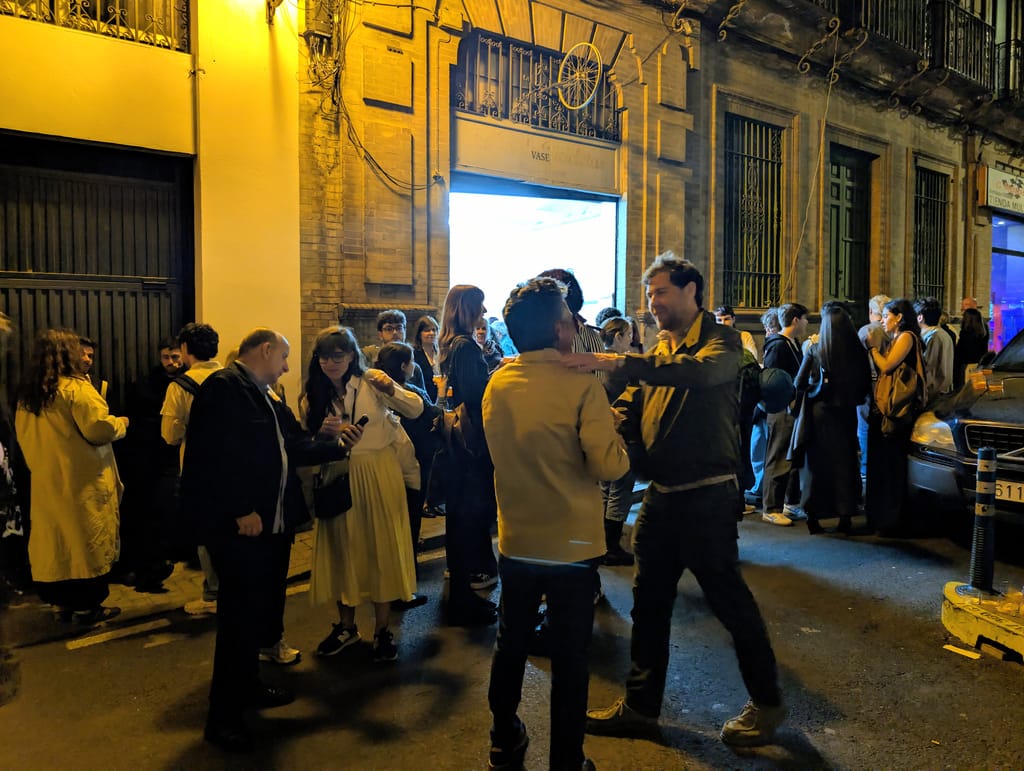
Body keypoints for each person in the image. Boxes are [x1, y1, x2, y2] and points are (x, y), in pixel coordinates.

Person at [565, 253, 785, 747]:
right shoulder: (662, 346)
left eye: (661, 292)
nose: (653, 303)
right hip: (661, 498)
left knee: (731, 604)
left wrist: (620, 362)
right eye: (649, 295)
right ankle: (641, 709)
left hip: (707, 498)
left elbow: (697, 374)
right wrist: (612, 416)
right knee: (648, 606)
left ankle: (768, 703)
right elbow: (637, 399)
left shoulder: (723, 342)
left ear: (691, 291)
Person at [180, 328, 360, 753]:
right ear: (265, 350)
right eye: (283, 357)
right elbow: (212, 456)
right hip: (244, 528)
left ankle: (249, 687)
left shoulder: (266, 394)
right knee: (237, 623)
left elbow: (292, 446)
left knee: (256, 617)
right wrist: (240, 508)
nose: (286, 366)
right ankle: (223, 719)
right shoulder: (225, 388)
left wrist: (337, 445)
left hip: (273, 527)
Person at [483, 277, 628, 771]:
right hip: (572, 545)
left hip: (517, 537)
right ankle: (566, 760)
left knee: (511, 642)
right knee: (569, 658)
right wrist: (616, 438)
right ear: (561, 330)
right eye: (568, 317)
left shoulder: (499, 382)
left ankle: (504, 738)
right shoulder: (582, 385)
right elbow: (607, 466)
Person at [303, 326, 424, 661]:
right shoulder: (315, 391)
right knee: (343, 550)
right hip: (337, 474)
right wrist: (323, 434)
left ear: (351, 355)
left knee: (380, 548)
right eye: (324, 356)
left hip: (378, 472)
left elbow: (415, 408)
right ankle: (346, 626)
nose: (330, 363)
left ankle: (382, 629)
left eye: (337, 356)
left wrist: (392, 388)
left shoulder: (371, 381)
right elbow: (306, 439)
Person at [14, 329, 128, 625]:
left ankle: (60, 604)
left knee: (56, 545)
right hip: (82, 482)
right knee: (85, 545)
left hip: (47, 481)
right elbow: (98, 429)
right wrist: (121, 423)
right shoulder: (76, 389)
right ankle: (86, 608)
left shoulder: (31, 395)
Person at [439, 284, 499, 626]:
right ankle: (464, 602)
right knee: (469, 519)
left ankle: (461, 596)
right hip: (473, 445)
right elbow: (478, 397)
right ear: (466, 309)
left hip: (459, 445)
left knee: (460, 519)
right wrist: (498, 375)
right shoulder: (464, 346)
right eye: (480, 305)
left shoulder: (451, 343)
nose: (484, 311)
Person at [160, 323, 224, 617]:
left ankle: (213, 594)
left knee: (206, 534)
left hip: (200, 471)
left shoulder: (180, 386)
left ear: (185, 349)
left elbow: (170, 435)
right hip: (237, 467)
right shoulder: (235, 378)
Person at [791, 303, 871, 534]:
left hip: (819, 414)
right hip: (845, 413)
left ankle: (813, 516)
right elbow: (865, 383)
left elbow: (799, 382)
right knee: (844, 463)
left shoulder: (816, 349)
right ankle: (845, 515)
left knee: (816, 465)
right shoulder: (857, 351)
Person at [116, 337, 183, 591]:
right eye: (166, 357)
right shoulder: (147, 384)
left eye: (175, 357)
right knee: (154, 511)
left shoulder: (183, 382)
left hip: (170, 456)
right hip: (151, 457)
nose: (171, 362)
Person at [375, 340, 438, 610]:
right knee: (409, 528)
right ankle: (404, 590)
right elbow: (433, 416)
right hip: (412, 468)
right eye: (411, 361)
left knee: (389, 529)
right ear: (404, 366)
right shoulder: (410, 393)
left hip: (384, 468)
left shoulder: (374, 392)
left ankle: (388, 586)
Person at [864, 299, 924, 535]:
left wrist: (873, 349)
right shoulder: (897, 338)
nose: (882, 320)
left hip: (897, 411)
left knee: (892, 464)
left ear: (899, 317)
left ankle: (893, 519)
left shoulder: (906, 337)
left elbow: (888, 366)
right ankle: (885, 517)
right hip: (890, 409)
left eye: (887, 316)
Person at [761, 303, 809, 526]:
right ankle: (771, 508)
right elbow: (771, 378)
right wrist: (786, 400)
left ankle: (790, 502)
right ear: (796, 320)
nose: (807, 323)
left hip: (791, 407)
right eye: (805, 319)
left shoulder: (791, 343)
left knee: (790, 457)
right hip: (781, 408)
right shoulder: (779, 345)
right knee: (778, 455)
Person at [598, 317, 637, 566]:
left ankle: (602, 543)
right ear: (618, 337)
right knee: (620, 491)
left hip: (602, 432)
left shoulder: (598, 361)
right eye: (629, 334)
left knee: (605, 489)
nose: (631, 340)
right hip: (622, 433)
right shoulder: (620, 365)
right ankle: (611, 547)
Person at [746, 308, 781, 509]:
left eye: (769, 327)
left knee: (759, 447)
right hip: (770, 406)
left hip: (766, 406)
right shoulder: (781, 344)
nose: (767, 331)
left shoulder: (775, 345)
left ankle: (760, 487)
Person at [857, 295, 891, 486]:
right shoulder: (892, 331)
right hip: (888, 387)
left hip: (869, 387)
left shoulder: (867, 331)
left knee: (864, 428)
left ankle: (866, 468)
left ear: (871, 312)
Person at [361, 309, 427, 392]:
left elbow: (423, 397)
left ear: (405, 331)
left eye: (399, 328)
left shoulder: (413, 368)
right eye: (389, 329)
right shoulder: (369, 358)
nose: (395, 332)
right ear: (380, 334)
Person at [915, 297, 954, 404]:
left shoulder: (932, 337)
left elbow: (927, 367)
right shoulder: (943, 334)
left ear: (920, 317)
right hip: (942, 391)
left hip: (934, 394)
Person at [954, 307, 989, 389]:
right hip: (979, 365)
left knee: (965, 389)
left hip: (966, 366)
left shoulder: (965, 334)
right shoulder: (983, 334)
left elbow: (960, 353)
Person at [411, 315, 441, 402]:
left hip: (442, 398)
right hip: (424, 400)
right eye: (427, 330)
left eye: (434, 330)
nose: (431, 333)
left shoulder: (441, 352)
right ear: (419, 334)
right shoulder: (413, 354)